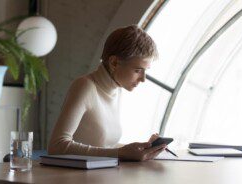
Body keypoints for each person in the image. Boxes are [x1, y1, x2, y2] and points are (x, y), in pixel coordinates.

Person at [48, 25, 166, 161]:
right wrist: (120, 153)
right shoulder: (85, 86)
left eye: (146, 71)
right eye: (138, 70)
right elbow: (56, 146)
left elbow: (105, 147)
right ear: (114, 62)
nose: (143, 79)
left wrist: (144, 148)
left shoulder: (117, 89)